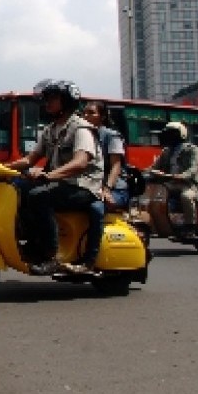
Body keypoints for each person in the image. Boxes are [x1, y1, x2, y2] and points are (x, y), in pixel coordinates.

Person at [4, 79, 103, 275]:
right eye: (46, 98)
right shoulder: (50, 130)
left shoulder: (81, 128)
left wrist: (49, 176)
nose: (47, 102)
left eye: (52, 98)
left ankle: (51, 255)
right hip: (62, 183)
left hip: (83, 186)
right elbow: (30, 159)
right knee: (18, 189)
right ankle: (32, 243)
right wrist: (0, 169)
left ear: (66, 101)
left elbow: (80, 162)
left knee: (39, 195)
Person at [79, 100, 131, 268]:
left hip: (114, 188)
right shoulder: (81, 136)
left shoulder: (110, 135)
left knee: (96, 208)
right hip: (91, 186)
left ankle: (89, 260)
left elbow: (116, 166)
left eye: (91, 113)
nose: (86, 116)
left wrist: (107, 189)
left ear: (102, 116)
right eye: (84, 112)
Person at [146, 121, 198, 239]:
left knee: (186, 196)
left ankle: (190, 228)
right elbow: (154, 167)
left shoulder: (193, 149)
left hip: (190, 184)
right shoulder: (167, 151)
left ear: (181, 134)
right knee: (153, 195)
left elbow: (194, 168)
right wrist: (144, 173)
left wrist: (181, 176)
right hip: (171, 183)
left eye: (172, 134)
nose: (169, 137)